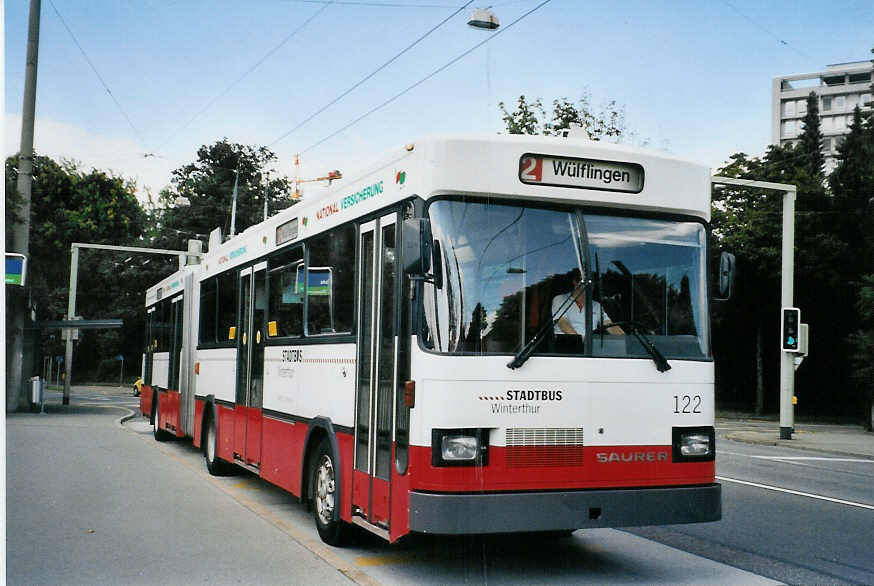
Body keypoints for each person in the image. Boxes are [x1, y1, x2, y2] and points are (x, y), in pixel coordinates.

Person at [552, 269, 624, 336]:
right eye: (586, 281)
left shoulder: (596, 305)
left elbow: (609, 325)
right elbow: (563, 323)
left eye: (592, 281)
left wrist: (627, 340)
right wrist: (581, 341)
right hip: (565, 346)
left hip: (589, 347)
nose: (591, 284)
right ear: (575, 282)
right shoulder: (559, 299)